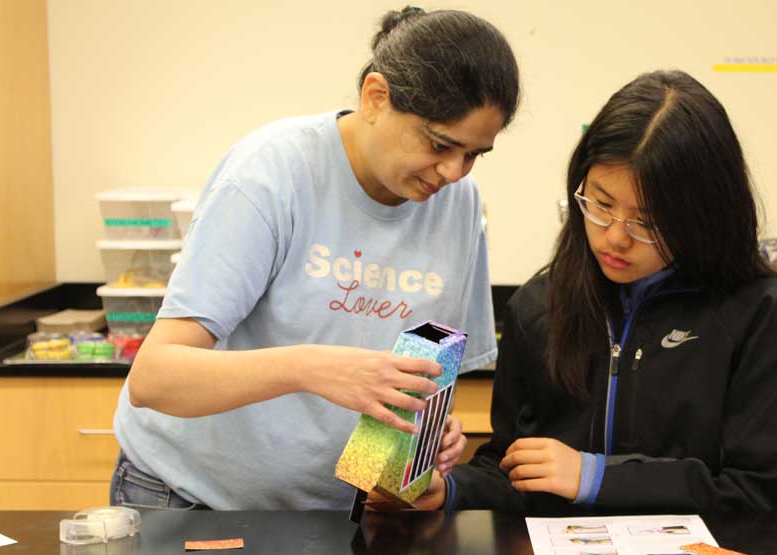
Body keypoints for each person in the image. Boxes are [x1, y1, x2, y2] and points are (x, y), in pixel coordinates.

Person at [109, 6, 520, 510]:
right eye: (440, 144)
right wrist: (312, 368)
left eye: (475, 153)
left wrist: (428, 434)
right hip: (191, 498)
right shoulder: (272, 174)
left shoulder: (459, 201)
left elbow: (428, 366)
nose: (454, 171)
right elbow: (155, 379)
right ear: (376, 97)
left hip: (332, 513)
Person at [384, 70, 777, 514]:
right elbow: (514, 469)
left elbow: (759, 494)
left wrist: (597, 477)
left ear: (703, 216)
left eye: (648, 222)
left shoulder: (756, 313)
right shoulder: (538, 307)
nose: (615, 238)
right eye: (601, 204)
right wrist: (451, 491)